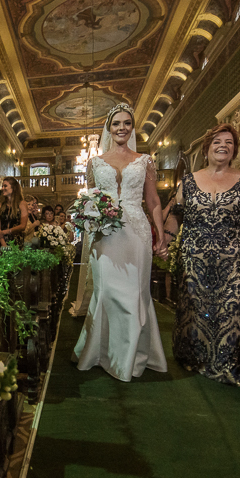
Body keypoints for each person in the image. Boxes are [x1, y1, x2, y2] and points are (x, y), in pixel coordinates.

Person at [167, 121, 240, 388]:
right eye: (217, 142)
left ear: (234, 150)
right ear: (207, 149)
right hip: (194, 258)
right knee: (195, 311)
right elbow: (174, 216)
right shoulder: (189, 181)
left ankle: (227, 367)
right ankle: (195, 358)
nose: (223, 146)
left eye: (229, 143)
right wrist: (165, 243)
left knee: (233, 311)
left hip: (233, 259)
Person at [72, 104, 168, 381]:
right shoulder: (94, 162)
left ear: (132, 127)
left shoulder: (145, 160)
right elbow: (89, 199)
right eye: (116, 124)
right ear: (108, 128)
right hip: (104, 234)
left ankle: (132, 355)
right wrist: (88, 219)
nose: (122, 128)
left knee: (135, 293)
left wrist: (160, 233)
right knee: (107, 292)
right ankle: (101, 352)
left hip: (136, 231)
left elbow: (153, 201)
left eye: (127, 123)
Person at [0, 176, 30, 247]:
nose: (2, 188)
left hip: (16, 242)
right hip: (2, 242)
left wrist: (6, 231)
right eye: (2, 186)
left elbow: (23, 226)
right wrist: (3, 244)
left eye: (5, 186)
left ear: (13, 188)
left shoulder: (22, 204)